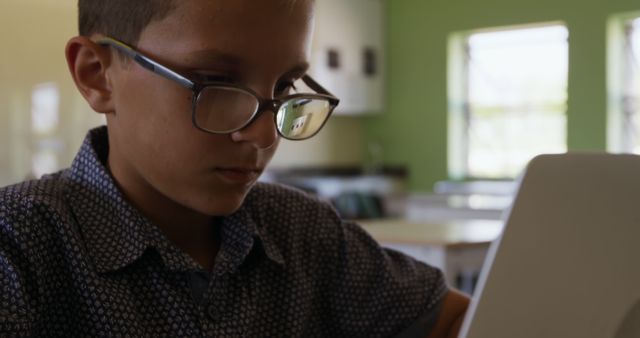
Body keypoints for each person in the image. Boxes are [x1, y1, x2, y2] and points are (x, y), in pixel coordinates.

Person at [0, 0, 469, 336]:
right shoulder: (19, 248)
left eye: (285, 84)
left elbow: (458, 321)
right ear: (96, 74)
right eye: (215, 82)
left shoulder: (303, 233)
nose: (265, 136)